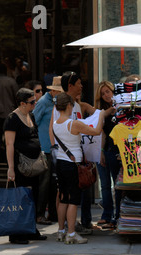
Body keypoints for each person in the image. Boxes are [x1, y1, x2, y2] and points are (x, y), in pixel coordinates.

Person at [52, 92, 105, 244]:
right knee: (73, 200)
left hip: (61, 163)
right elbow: (96, 131)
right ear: (69, 105)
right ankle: (71, 233)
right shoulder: (73, 123)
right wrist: (100, 115)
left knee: (63, 198)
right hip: (73, 164)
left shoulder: (56, 124)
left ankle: (61, 231)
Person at [49, 71, 96, 234]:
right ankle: (69, 230)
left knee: (65, 196)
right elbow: (52, 129)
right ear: (70, 85)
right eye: (79, 83)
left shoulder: (77, 104)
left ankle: (65, 228)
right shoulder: (62, 105)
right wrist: (56, 150)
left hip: (72, 155)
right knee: (69, 197)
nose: (82, 86)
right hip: (67, 158)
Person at [3, 88, 47, 244]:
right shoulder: (12, 119)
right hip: (20, 165)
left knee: (32, 197)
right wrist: (11, 168)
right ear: (22, 103)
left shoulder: (31, 116)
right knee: (20, 199)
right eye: (32, 102)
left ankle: (30, 229)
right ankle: (17, 233)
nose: (35, 104)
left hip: (33, 165)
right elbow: (9, 144)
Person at [33, 76, 62, 225]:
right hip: (45, 148)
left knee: (52, 183)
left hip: (54, 148)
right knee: (44, 183)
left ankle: (52, 213)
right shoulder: (44, 102)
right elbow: (33, 122)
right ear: (53, 91)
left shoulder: (57, 103)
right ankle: (39, 214)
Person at [94, 81, 120, 228]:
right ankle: (107, 214)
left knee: (117, 185)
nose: (106, 95)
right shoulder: (100, 111)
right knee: (104, 184)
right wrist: (101, 152)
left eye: (107, 92)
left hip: (115, 150)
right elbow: (102, 133)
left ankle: (116, 216)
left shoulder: (121, 108)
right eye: (103, 94)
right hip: (104, 149)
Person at [0, 63, 19, 161]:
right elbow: (17, 97)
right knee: (9, 135)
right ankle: (7, 153)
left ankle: (0, 153)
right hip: (9, 111)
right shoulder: (11, 81)